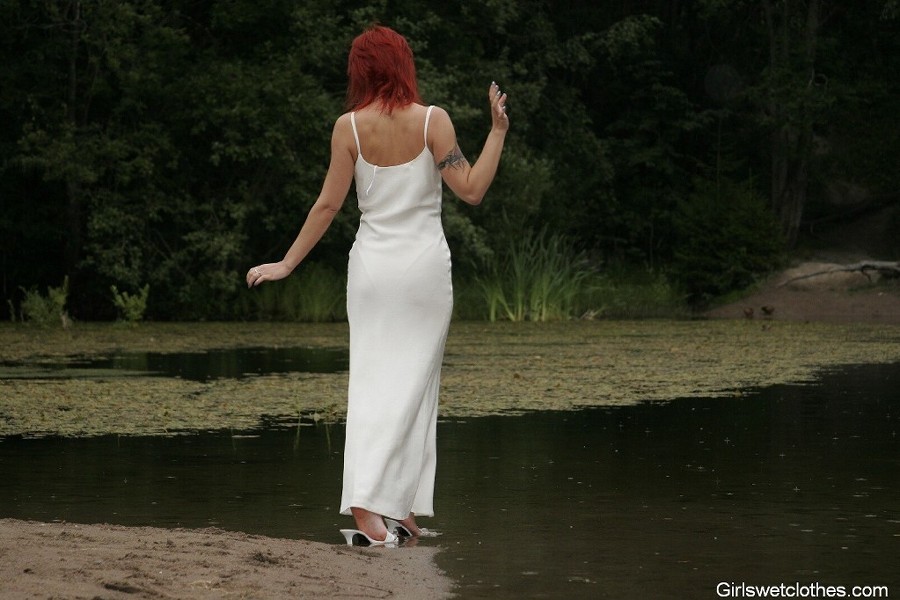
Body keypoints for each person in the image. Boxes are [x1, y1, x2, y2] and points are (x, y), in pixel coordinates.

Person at [246, 24, 508, 546]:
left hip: (371, 273)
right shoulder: (434, 120)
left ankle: (401, 508)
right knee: (416, 388)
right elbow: (473, 190)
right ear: (403, 65)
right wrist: (497, 131)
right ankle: (369, 509)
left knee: (377, 387)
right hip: (424, 273)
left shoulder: (349, 127)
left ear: (361, 71)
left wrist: (287, 264)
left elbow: (327, 205)